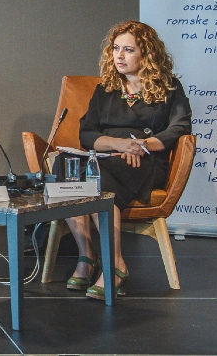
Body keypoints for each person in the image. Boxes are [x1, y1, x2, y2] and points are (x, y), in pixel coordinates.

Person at [60, 20, 191, 300]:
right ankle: (87, 256)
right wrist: (119, 145)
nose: (118, 56)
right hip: (108, 155)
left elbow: (179, 128)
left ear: (147, 54)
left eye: (128, 50)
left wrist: (141, 146)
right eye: (116, 49)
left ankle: (114, 263)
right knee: (65, 165)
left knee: (98, 176)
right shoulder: (106, 88)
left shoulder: (168, 87)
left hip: (145, 162)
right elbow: (86, 132)